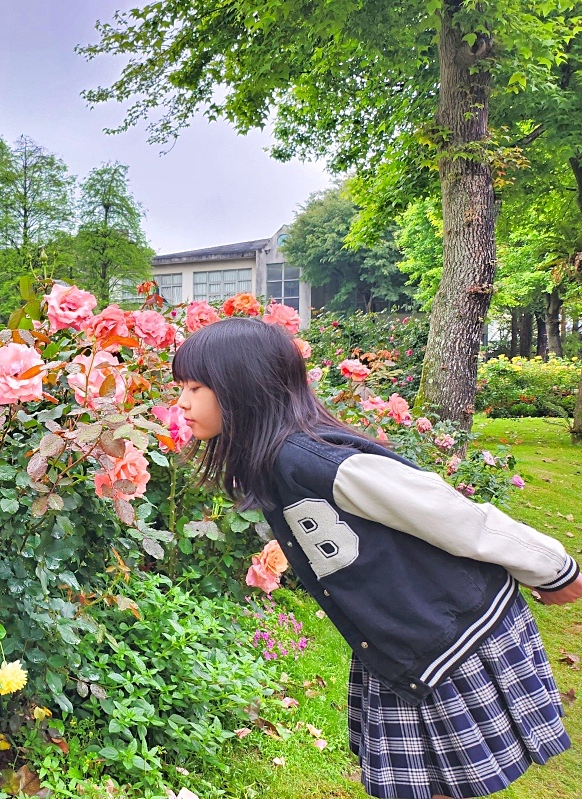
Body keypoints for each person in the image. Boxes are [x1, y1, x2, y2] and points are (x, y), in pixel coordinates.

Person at [171, 317, 578, 799]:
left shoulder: (316, 461)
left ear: (246, 388)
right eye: (181, 387)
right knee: (425, 784)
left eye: (196, 387)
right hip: (397, 640)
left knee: (434, 785)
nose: (181, 402)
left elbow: (449, 514)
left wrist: (553, 568)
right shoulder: (274, 464)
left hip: (449, 632)